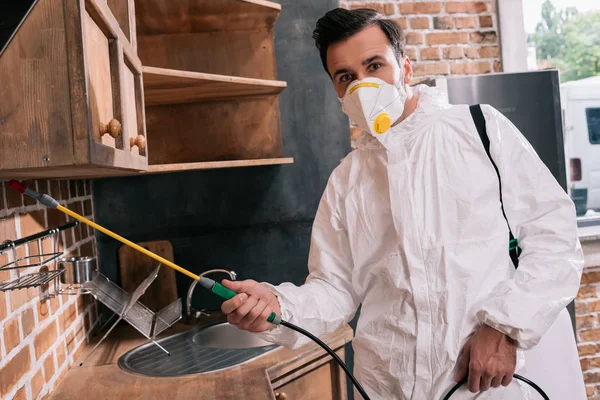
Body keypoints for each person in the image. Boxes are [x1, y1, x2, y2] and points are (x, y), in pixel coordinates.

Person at [220, 8, 586, 400]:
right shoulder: (347, 180)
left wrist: (506, 328)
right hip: (389, 386)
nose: (362, 85)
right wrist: (278, 307)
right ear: (337, 91)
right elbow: (335, 289)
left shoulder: (479, 131)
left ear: (406, 68)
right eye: (346, 77)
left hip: (485, 385)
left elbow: (554, 236)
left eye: (374, 65)